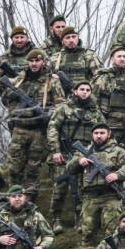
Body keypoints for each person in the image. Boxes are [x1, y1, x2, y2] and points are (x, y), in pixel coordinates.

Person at [0, 48, 65, 199]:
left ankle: (29, 202)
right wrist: (13, 93)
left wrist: (47, 114)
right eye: (31, 61)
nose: (34, 64)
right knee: (13, 167)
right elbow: (5, 99)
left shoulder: (52, 80)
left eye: (37, 60)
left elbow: (61, 104)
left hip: (39, 130)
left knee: (33, 169)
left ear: (43, 62)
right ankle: (11, 199)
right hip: (20, 128)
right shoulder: (20, 79)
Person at [47, 81, 107, 233]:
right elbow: (53, 128)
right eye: (82, 89)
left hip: (86, 155)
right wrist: (55, 150)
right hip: (65, 154)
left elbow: (103, 132)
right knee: (60, 187)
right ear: (75, 91)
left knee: (82, 188)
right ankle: (56, 219)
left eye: (88, 90)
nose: (85, 92)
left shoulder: (95, 112)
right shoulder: (64, 108)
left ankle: (80, 220)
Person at [66, 124, 125, 245]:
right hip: (89, 197)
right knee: (87, 232)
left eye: (102, 133)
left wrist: (117, 175)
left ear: (109, 134)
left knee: (112, 232)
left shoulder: (118, 151)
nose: (99, 136)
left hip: (111, 196)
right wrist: (78, 161)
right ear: (92, 135)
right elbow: (69, 169)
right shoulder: (83, 151)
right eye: (96, 133)